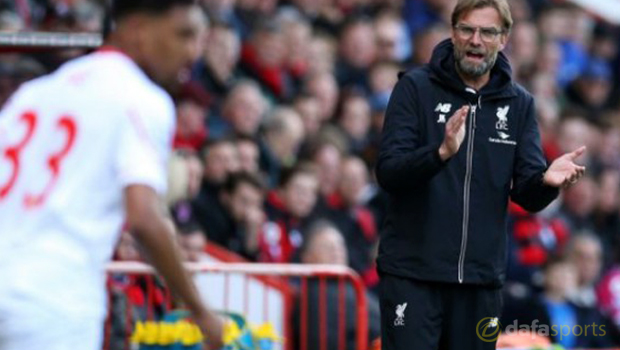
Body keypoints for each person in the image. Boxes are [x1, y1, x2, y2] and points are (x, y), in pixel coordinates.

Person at [0, 1, 225, 350]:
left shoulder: (35, 94)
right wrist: (199, 310)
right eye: (183, 35)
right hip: (53, 299)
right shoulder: (141, 98)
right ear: (138, 30)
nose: (193, 52)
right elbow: (145, 218)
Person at [375, 1, 586, 349]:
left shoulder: (519, 104)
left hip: (480, 283)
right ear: (453, 32)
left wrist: (547, 183)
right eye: (467, 29)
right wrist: (439, 153)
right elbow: (389, 171)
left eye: (488, 32)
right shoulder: (415, 88)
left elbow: (527, 192)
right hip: (413, 275)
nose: (476, 40)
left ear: (503, 38)